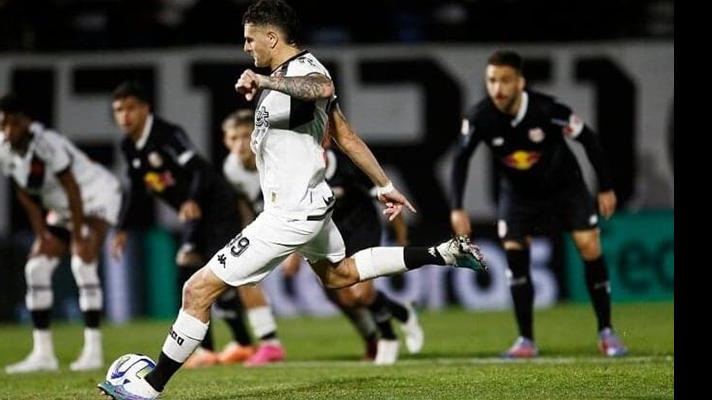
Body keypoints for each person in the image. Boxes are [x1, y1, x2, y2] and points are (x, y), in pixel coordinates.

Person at [98, 1, 485, 398]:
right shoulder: (285, 78)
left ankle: (149, 387)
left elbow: (322, 87)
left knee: (197, 290)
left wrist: (265, 82)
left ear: (271, 37)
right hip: (308, 205)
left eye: (250, 39)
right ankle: (443, 254)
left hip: (291, 212)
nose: (247, 47)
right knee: (341, 276)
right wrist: (385, 184)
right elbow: (346, 136)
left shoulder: (303, 70)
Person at [448, 50, 628, 358]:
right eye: (492, 81)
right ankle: (526, 341)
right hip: (518, 196)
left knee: (589, 246)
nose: (497, 88)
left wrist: (606, 187)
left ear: (520, 82)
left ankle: (606, 332)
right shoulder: (480, 118)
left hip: (565, 188)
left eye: (505, 80)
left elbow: (589, 139)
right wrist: (457, 206)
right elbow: (461, 160)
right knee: (515, 254)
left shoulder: (548, 110)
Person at [222, 109, 424, 365]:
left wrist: (402, 239)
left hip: (359, 224)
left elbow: (387, 197)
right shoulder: (252, 169)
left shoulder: (344, 165)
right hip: (324, 228)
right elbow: (271, 207)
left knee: (360, 293)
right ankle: (400, 312)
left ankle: (387, 337)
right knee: (339, 293)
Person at [109, 81, 285, 368]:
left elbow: (200, 170)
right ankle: (241, 343)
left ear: (145, 109)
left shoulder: (167, 134)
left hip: (215, 209)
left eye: (130, 108)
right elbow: (136, 188)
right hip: (196, 215)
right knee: (219, 280)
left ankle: (210, 349)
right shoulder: (129, 146)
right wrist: (123, 227)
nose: (125, 116)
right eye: (118, 110)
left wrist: (190, 199)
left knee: (190, 269)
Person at [0, 93, 120, 373]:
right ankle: (43, 354)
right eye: (3, 124)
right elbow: (21, 189)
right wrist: (41, 233)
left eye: (14, 123)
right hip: (62, 207)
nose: (8, 131)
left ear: (27, 121)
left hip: (96, 197)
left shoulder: (46, 143)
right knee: (35, 267)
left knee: (81, 262)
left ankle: (93, 351)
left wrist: (77, 234)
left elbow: (72, 186)